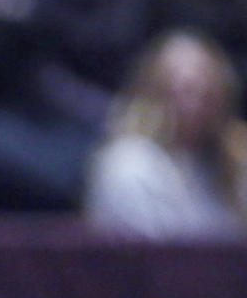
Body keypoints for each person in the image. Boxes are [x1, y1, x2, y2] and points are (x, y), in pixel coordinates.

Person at [83, 30, 247, 240]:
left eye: (206, 95)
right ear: (152, 93)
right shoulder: (129, 164)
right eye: (183, 91)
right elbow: (155, 257)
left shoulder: (232, 162)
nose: (193, 106)